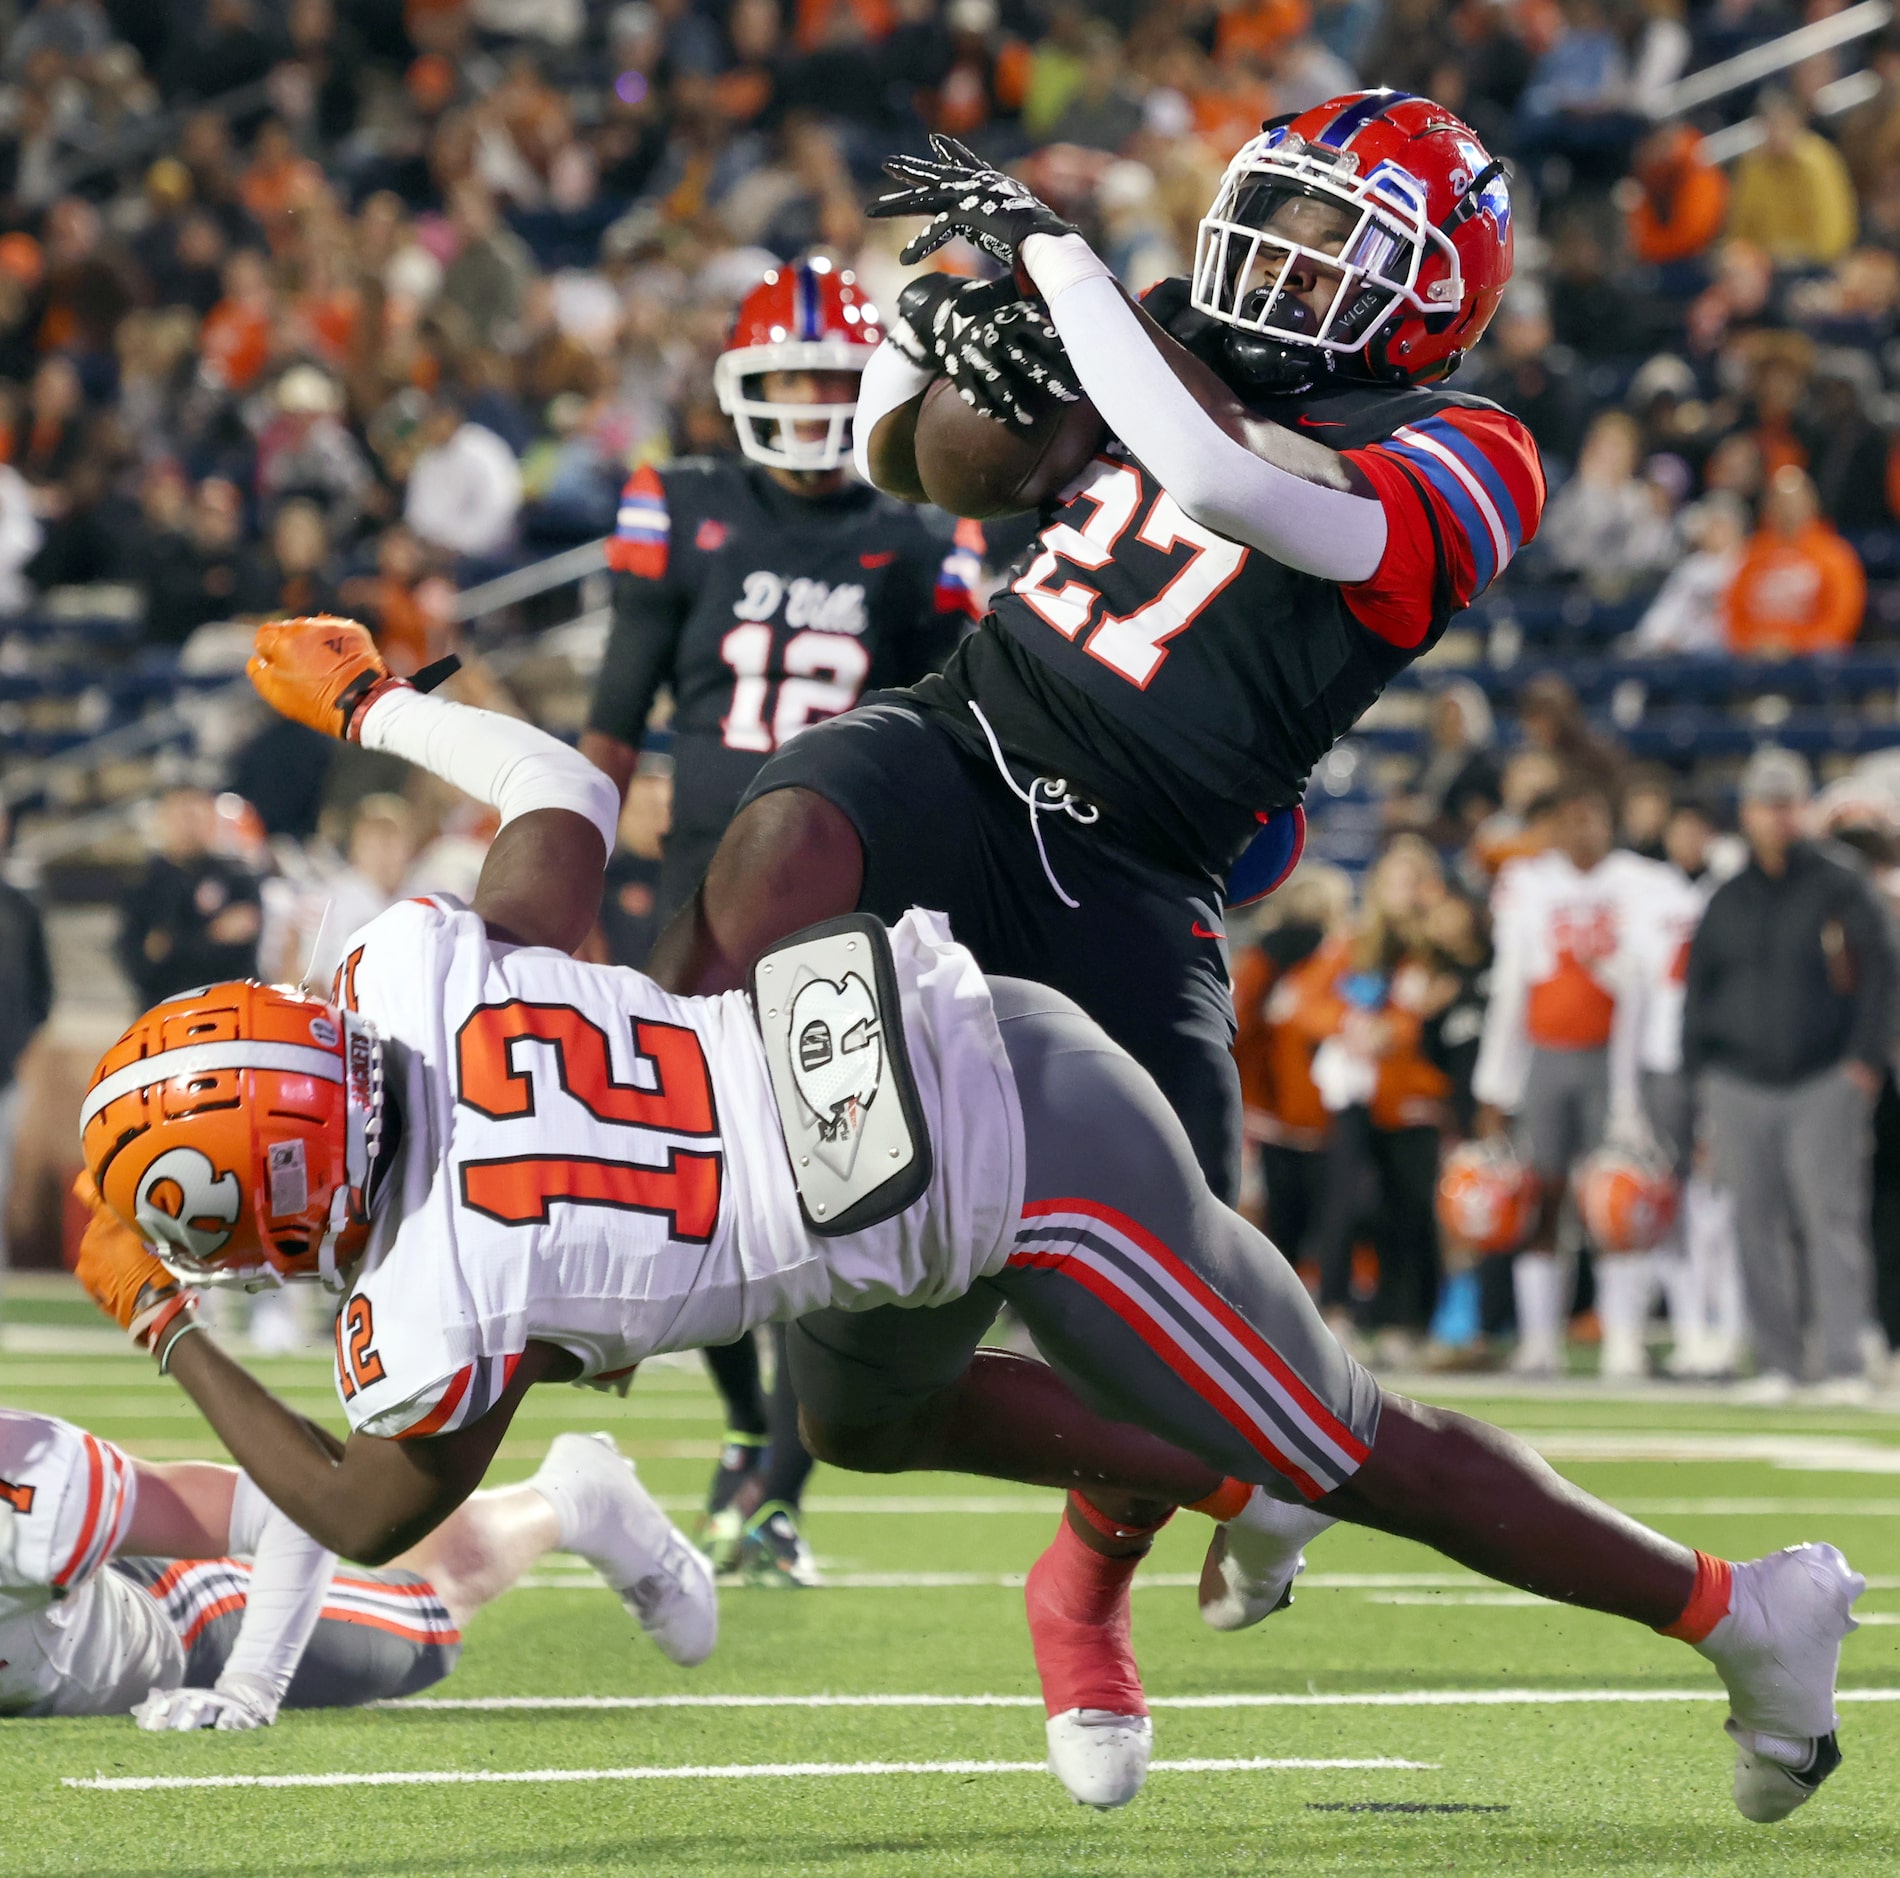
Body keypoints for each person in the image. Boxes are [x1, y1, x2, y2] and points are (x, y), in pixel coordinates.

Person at [76, 617, 1862, 1824]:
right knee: (860, 1414)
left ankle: (1731, 1607)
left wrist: (162, 1326)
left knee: (1354, 1439)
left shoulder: (447, 1292)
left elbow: (348, 1501)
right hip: (910, 1100)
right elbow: (560, 785)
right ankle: (1219, 1472)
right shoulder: (417, 969)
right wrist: (384, 700)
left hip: (1034, 1155)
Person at [579, 256, 981, 1581]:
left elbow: (957, 721)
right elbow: (615, 709)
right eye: (787, 381)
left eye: (831, 381)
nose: (811, 409)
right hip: (701, 880)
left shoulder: (914, 530)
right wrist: (578, 857)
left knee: (840, 1194)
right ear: (739, 390)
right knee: (689, 1179)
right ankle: (753, 1435)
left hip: (846, 884)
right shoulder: (683, 505)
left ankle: (778, 1493)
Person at [0, 1408, 711, 1721]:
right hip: (50, 1627)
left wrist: (249, 1686)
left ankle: (571, 1497)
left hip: (180, 1622)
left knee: (421, 1614)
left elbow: (283, 1509)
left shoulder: (33, 1488)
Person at [1685, 747, 1900, 1403]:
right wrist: (1702, 1077)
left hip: (1823, 1075)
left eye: (1787, 804)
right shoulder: (1726, 894)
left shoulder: (1841, 882)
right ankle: (1777, 1363)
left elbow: (1882, 971)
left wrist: (1863, 1061)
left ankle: (1840, 1362)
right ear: (1746, 812)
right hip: (1739, 1079)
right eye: (1765, 805)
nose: (1777, 818)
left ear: (1804, 809)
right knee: (1755, 1222)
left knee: (1829, 1218)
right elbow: (1701, 988)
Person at [1473, 774, 1672, 1380]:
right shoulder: (1527, 883)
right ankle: (1539, 1342)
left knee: (1618, 1200)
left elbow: (1661, 976)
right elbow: (1510, 988)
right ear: (1554, 826)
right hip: (1547, 1055)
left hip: (1618, 1060)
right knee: (1542, 1198)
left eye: (1593, 817)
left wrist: (1615, 969)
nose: (1583, 828)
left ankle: (1624, 1341)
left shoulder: (1643, 883)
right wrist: (1494, 1086)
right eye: (1572, 817)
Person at [115, 786, 263, 1008]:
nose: (189, 824)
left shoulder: (238, 880)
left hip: (230, 1010)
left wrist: (174, 944)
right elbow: (142, 965)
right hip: (163, 1014)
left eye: (197, 814)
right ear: (164, 818)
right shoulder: (143, 884)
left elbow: (242, 958)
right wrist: (213, 934)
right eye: (182, 814)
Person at [1724, 467, 1866, 658]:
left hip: (1810, 658)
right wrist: (1750, 643)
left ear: (1811, 504)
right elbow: (1733, 607)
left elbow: (1842, 615)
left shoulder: (1834, 553)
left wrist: (1797, 645)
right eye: (1779, 502)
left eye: (1793, 502)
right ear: (1768, 507)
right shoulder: (1753, 552)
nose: (1787, 510)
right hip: (1755, 655)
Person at [0, 809, 53, 1269]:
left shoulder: (19, 904)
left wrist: (25, 1051)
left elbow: (41, 991)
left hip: (5, 1066)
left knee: (1, 1175)